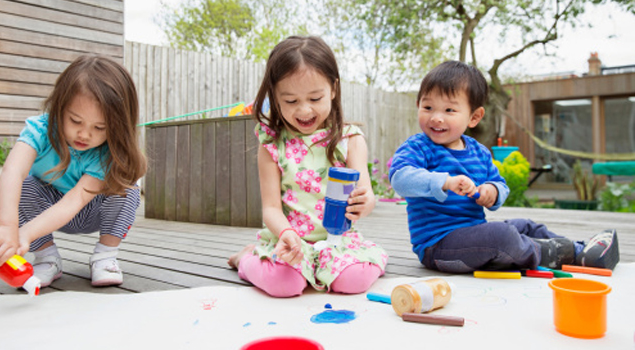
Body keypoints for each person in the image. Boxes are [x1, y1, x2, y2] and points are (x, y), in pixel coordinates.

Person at [389, 60, 619, 273]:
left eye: (449, 110)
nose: (436, 118)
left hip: (474, 237)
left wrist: (492, 191)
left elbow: (499, 183)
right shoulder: (418, 147)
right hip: (439, 247)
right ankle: (558, 255)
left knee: (524, 225)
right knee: (502, 236)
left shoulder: (478, 151)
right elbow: (400, 178)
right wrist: (445, 182)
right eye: (428, 108)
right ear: (418, 105)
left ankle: (579, 249)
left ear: (474, 117)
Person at [228, 36, 388, 297]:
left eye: (315, 98)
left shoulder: (350, 140)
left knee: (352, 282)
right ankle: (245, 259)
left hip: (336, 242)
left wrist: (365, 202)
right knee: (285, 285)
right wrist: (286, 233)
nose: (304, 110)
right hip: (289, 240)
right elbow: (270, 208)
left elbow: (366, 194)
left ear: (333, 89)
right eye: (291, 101)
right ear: (275, 96)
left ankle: (355, 263)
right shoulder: (272, 144)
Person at [0, 55, 147, 287]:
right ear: (59, 107)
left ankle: (105, 257)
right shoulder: (40, 131)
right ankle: (47, 258)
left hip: (91, 209)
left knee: (126, 189)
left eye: (99, 127)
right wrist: (7, 227)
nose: (84, 135)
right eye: (75, 121)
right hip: (47, 209)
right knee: (27, 185)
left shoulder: (109, 152)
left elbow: (75, 200)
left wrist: (23, 235)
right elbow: (12, 171)